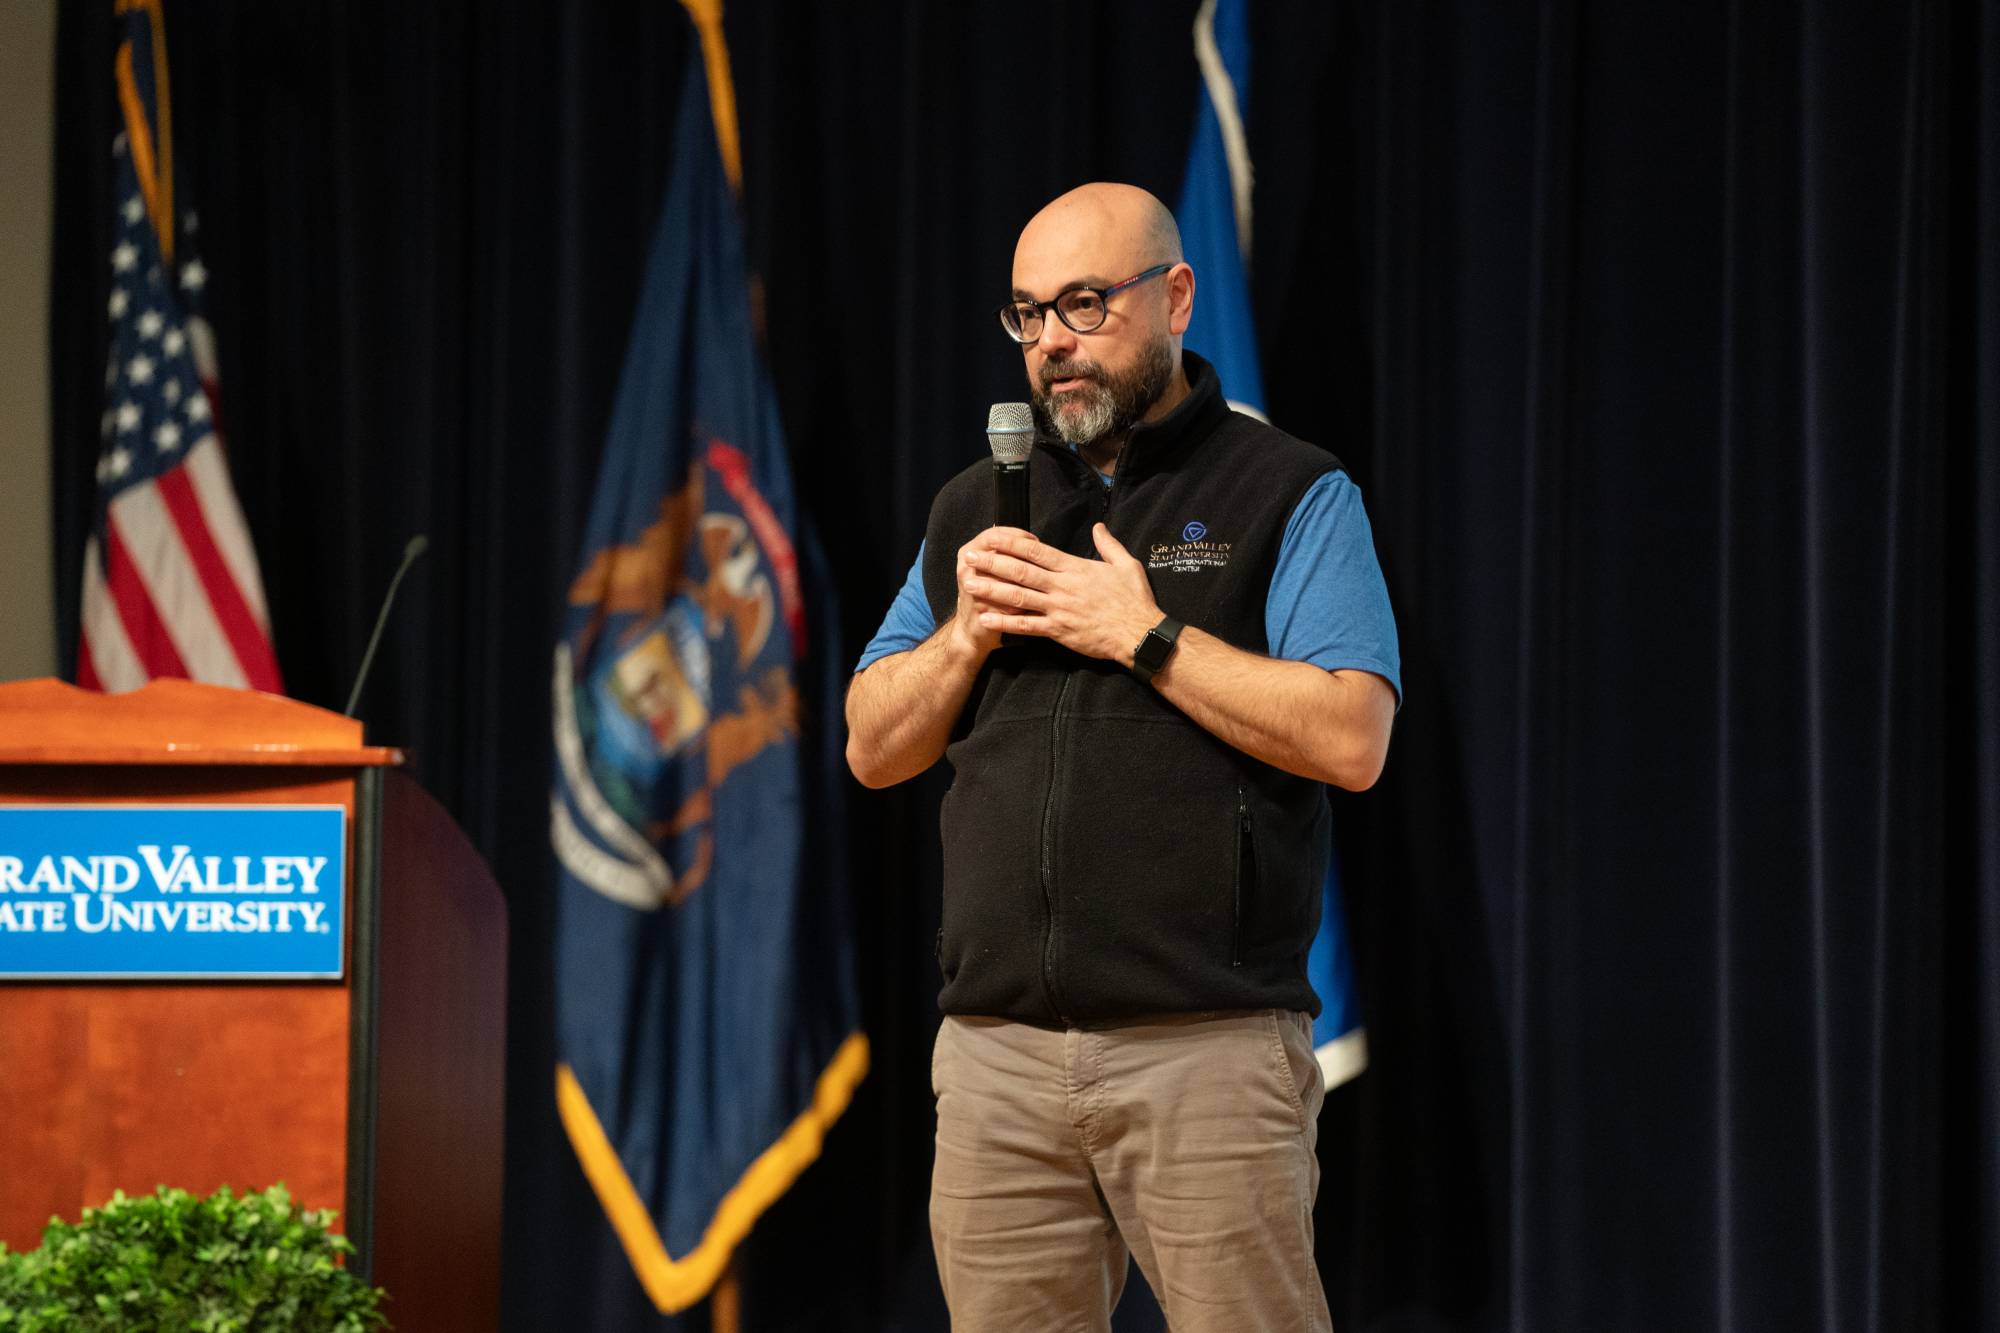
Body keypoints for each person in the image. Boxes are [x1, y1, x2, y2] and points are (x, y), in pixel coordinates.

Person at [845, 182, 1400, 1332]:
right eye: (1028, 314)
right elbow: (869, 745)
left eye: (1084, 306)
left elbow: (1352, 736)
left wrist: (1139, 634)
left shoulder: (1288, 491)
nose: (1051, 343)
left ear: (1176, 297)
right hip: (996, 1061)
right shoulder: (973, 510)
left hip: (1204, 1050)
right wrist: (962, 637)